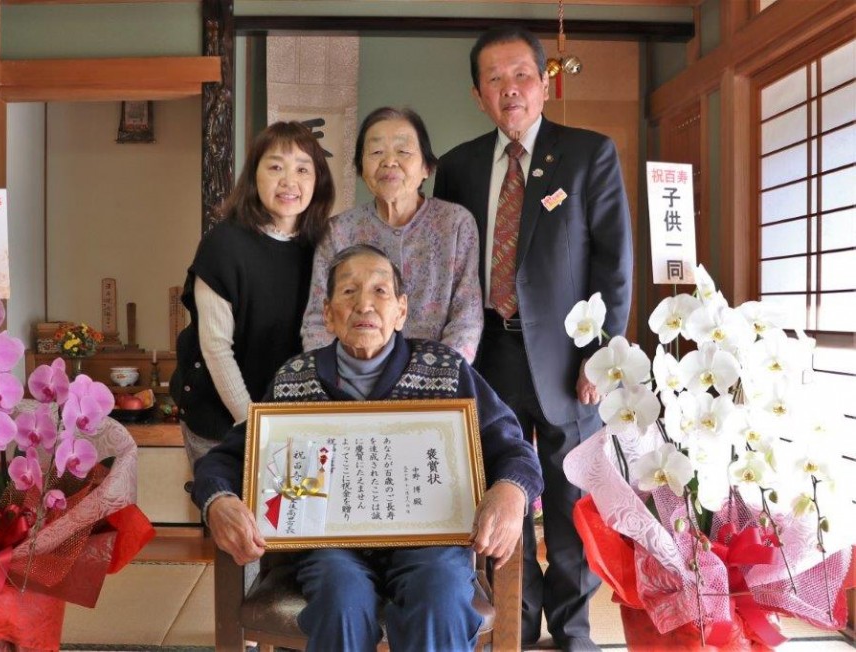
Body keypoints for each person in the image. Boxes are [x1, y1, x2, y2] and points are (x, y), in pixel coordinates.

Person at [194, 244, 543, 652]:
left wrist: (510, 491)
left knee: (440, 594)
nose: (364, 304)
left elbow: (514, 448)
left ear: (401, 310)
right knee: (340, 596)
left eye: (380, 291)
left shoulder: (446, 369)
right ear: (327, 313)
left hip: (429, 545)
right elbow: (228, 458)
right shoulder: (295, 379)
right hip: (332, 550)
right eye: (348, 292)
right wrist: (218, 501)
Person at [433, 27, 633, 652]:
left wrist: (603, 355)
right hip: (488, 354)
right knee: (501, 496)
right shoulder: (459, 165)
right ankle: (513, 628)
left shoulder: (589, 153)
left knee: (573, 501)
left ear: (544, 83)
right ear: (477, 94)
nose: (509, 89)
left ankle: (574, 634)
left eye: (521, 75)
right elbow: (452, 263)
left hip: (571, 362)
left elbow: (614, 265)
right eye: (494, 79)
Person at [171, 121, 334, 467]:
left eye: (303, 169)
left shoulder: (324, 247)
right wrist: (253, 424)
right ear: (253, 176)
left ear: (317, 181)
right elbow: (216, 348)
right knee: (232, 518)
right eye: (275, 167)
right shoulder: (224, 245)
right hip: (219, 419)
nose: (289, 181)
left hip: (292, 421)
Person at [301, 107, 483, 364]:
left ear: (427, 167)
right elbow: (318, 321)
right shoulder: (338, 231)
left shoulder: (455, 224)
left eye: (403, 151)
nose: (389, 161)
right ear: (361, 167)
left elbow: (467, 318)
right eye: (376, 152)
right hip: (353, 384)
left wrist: (436, 378)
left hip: (435, 385)